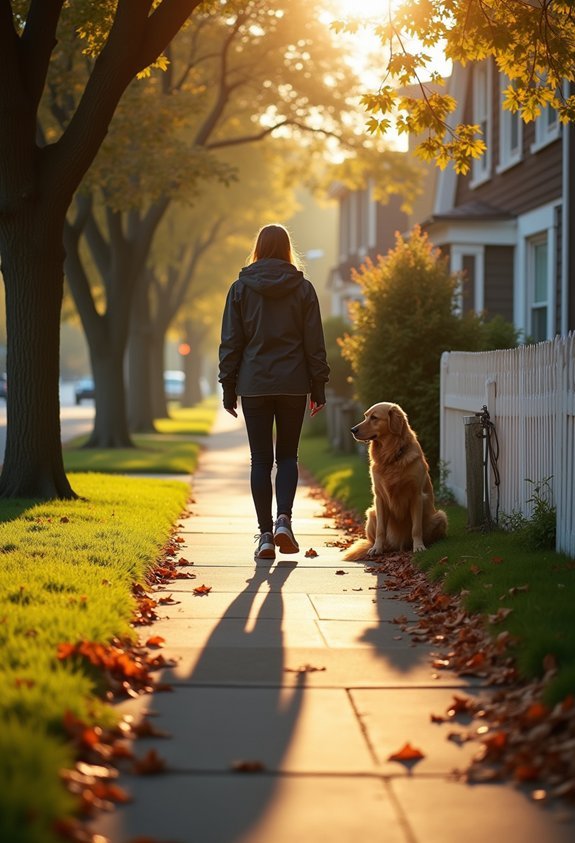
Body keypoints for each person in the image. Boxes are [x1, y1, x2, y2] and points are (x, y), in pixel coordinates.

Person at [218, 223, 330, 561]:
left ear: (258, 249)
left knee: (261, 460)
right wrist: (318, 386)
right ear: (286, 251)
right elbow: (314, 342)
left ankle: (265, 534)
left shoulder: (240, 289)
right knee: (288, 458)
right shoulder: (303, 289)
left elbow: (231, 343)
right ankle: (284, 520)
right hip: (293, 384)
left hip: (254, 385)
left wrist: (228, 386)